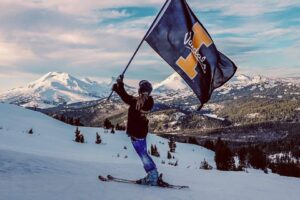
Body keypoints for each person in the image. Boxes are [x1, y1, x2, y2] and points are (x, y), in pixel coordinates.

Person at [112, 75, 159, 186]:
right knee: (144, 154)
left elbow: (126, 98)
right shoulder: (149, 101)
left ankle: (153, 175)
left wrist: (119, 86)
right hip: (142, 132)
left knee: (143, 155)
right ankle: (153, 174)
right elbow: (128, 98)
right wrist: (119, 88)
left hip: (136, 133)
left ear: (140, 90)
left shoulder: (138, 102)